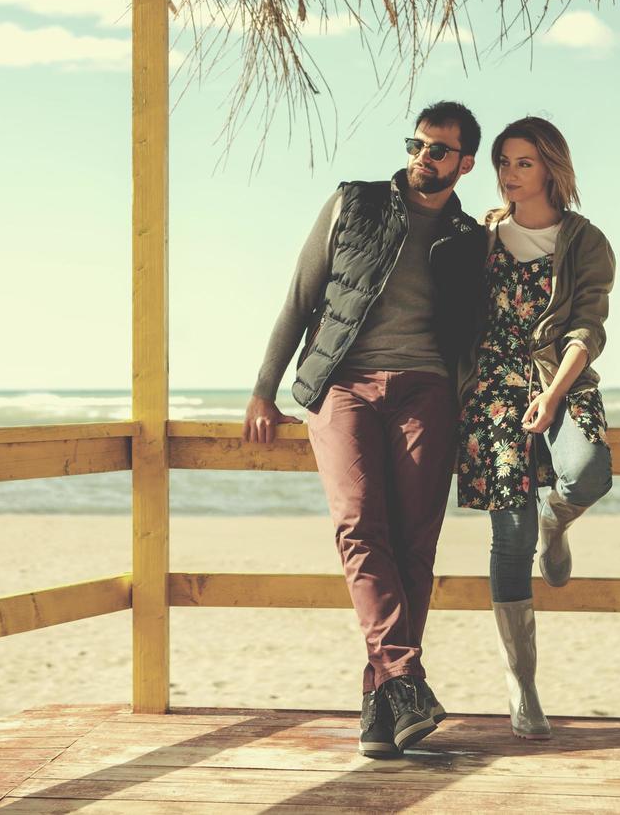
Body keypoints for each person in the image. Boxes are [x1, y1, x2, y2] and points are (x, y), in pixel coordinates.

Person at [244, 101, 487, 758]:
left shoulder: (468, 240)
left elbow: (479, 330)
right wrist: (265, 389)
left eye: (438, 150)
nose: (422, 157)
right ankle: (406, 679)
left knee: (414, 544)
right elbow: (300, 295)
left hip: (425, 389)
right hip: (344, 384)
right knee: (358, 524)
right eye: (417, 143)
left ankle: (381, 711)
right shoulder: (354, 203)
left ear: (464, 162)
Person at [455, 116, 616, 741]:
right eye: (503, 162)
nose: (509, 174)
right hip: (489, 391)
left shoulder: (586, 240)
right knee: (510, 539)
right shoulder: (482, 236)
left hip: (561, 377)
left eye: (523, 162)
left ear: (550, 165)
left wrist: (552, 396)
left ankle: (560, 519)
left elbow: (588, 330)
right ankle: (522, 687)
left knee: (587, 473)